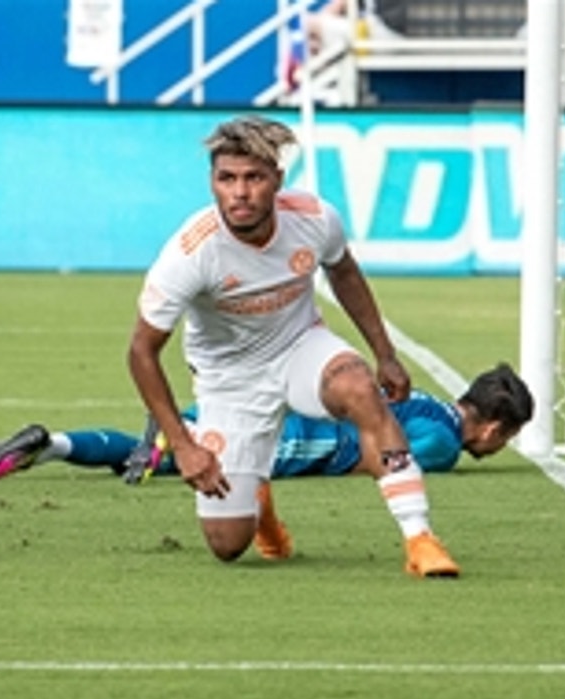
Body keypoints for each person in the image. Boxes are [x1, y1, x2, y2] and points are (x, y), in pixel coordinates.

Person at [126, 115, 455, 576]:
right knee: (227, 544)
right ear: (212, 182)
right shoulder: (190, 253)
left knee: (360, 388)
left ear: (277, 180)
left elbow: (343, 271)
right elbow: (141, 351)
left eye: (254, 178)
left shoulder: (314, 218)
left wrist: (384, 354)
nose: (240, 192)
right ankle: (260, 504)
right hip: (229, 381)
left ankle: (420, 539)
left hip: (301, 347)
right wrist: (182, 444)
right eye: (227, 179)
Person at [0, 362, 533, 486]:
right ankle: (155, 442)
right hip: (306, 439)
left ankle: (55, 443)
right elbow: (373, 455)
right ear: (491, 429)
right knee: (186, 459)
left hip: (289, 408)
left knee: (154, 449)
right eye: (508, 437)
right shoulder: (440, 443)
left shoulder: (429, 401)